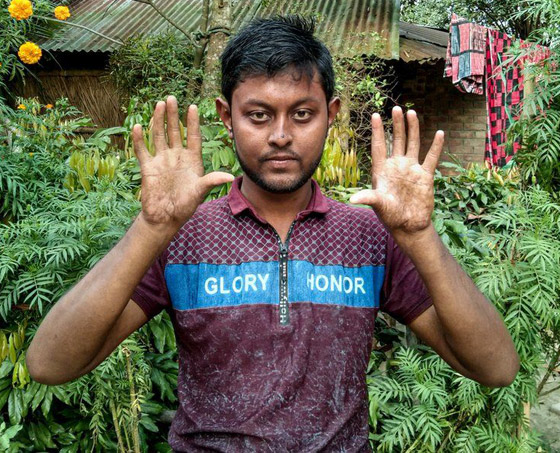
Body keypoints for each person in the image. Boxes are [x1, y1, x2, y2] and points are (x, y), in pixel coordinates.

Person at [27, 16, 519, 452]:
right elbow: (50, 364)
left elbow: (495, 368)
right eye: (258, 115)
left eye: (302, 114)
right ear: (227, 117)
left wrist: (420, 236)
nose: (281, 135)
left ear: (331, 113)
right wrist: (151, 227)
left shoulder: (368, 235)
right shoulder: (182, 236)